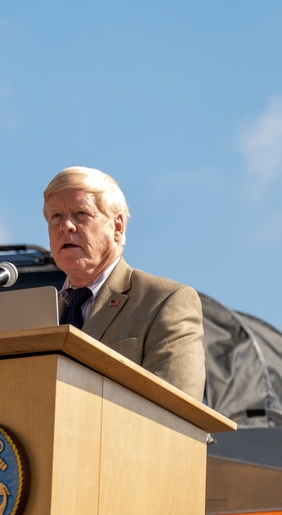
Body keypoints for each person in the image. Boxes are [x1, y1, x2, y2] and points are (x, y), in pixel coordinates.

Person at [43, 166, 205, 400]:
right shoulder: (37, 316)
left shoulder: (164, 301)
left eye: (81, 214)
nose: (65, 226)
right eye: (56, 216)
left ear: (117, 227)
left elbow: (177, 413)